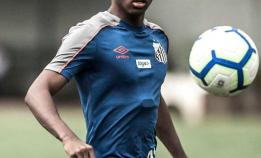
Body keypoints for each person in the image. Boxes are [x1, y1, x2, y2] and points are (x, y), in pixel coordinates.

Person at [25, 0, 188, 158]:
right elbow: (37, 92)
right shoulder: (91, 33)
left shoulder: (158, 37)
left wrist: (179, 155)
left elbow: (152, 97)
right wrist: (69, 138)